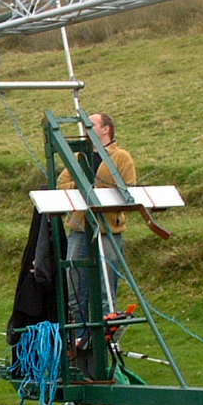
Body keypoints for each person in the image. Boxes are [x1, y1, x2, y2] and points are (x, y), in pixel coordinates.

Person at [59, 112, 136, 348]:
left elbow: (128, 189)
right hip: (80, 230)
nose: (86, 128)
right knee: (75, 285)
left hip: (107, 232)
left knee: (105, 290)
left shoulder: (121, 157)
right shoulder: (79, 157)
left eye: (92, 124)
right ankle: (82, 338)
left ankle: (106, 340)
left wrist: (99, 189)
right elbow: (62, 184)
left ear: (106, 129)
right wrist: (83, 186)